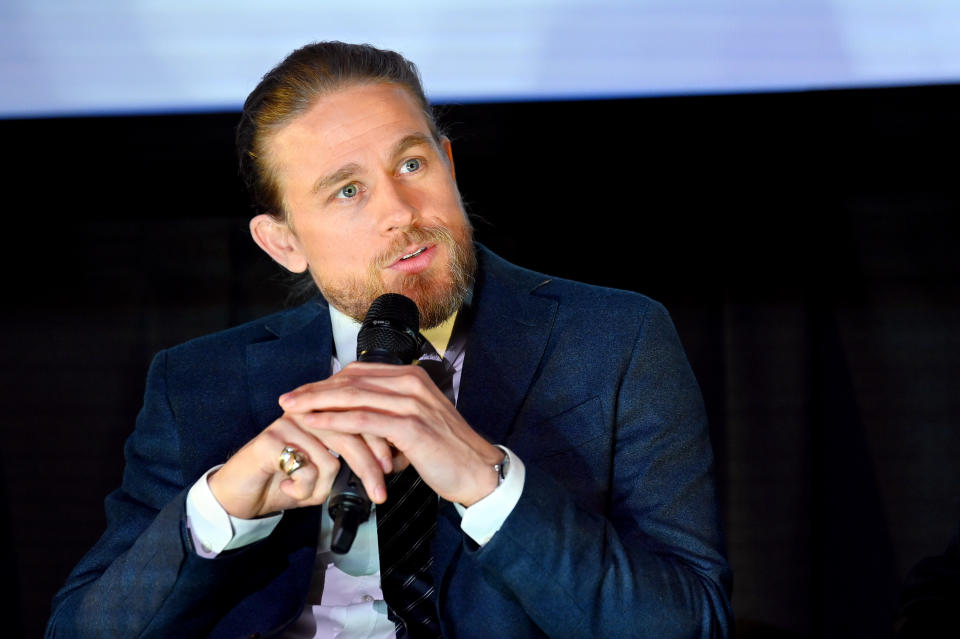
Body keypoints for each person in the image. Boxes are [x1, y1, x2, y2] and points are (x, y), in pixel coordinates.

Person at [46, 41, 732, 638]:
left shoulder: (614, 339)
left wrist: (488, 484)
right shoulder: (197, 383)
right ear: (283, 242)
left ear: (450, 165)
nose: (402, 214)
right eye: (346, 191)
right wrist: (222, 507)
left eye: (411, 165)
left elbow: (690, 622)